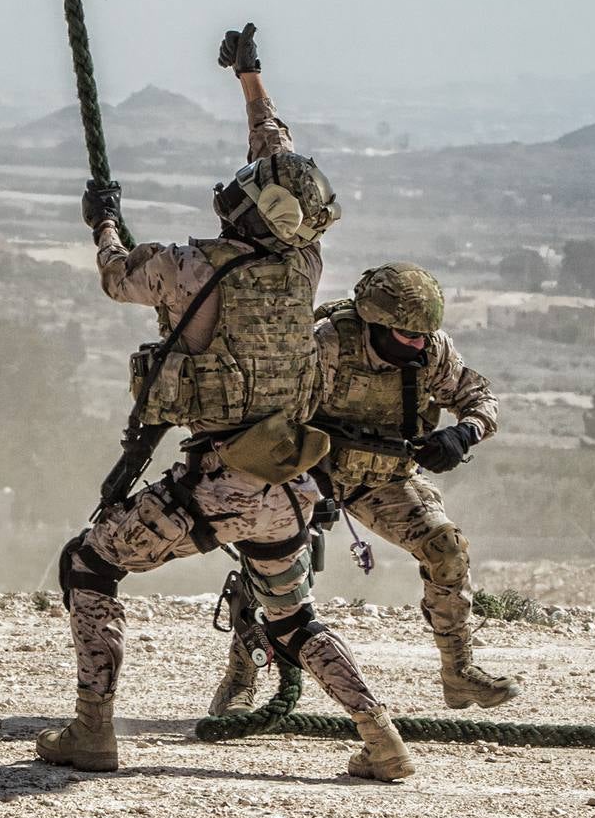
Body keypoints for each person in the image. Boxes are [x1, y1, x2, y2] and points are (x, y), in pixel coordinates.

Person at [36, 24, 413, 782]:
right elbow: (278, 162)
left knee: (87, 565)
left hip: (217, 485)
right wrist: (252, 81)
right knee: (294, 616)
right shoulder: (304, 263)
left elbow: (117, 275)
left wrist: (104, 219)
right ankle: (383, 740)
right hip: (287, 487)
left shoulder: (186, 267)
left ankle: (92, 730)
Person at [208, 262, 519, 717]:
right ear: (375, 323)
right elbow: (272, 411)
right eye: (405, 334)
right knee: (274, 563)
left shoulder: (431, 351)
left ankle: (459, 672)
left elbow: (479, 398)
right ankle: (241, 679)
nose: (416, 343)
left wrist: (464, 433)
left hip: (384, 478)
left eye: (422, 335)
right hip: (312, 472)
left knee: (446, 549)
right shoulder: (329, 344)